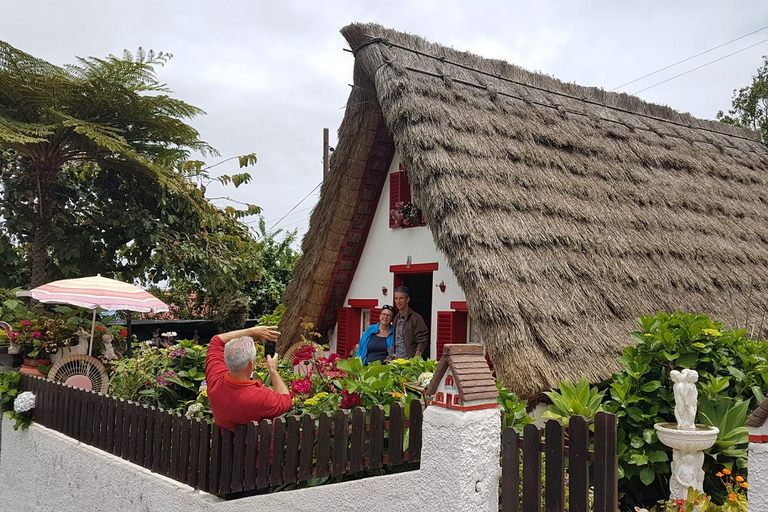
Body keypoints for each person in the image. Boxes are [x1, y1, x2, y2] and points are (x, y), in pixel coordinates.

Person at [204, 325, 291, 432]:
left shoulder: (215, 379)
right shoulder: (261, 397)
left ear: (226, 360)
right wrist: (273, 370)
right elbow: (286, 400)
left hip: (225, 445)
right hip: (258, 447)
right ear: (251, 364)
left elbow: (216, 341)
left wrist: (252, 331)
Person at [392, 286, 429, 358]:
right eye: (396, 298)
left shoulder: (416, 318)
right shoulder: (395, 318)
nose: (398, 301)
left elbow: (422, 341)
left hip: (410, 361)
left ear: (407, 299)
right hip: (396, 361)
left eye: (401, 298)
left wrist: (415, 359)